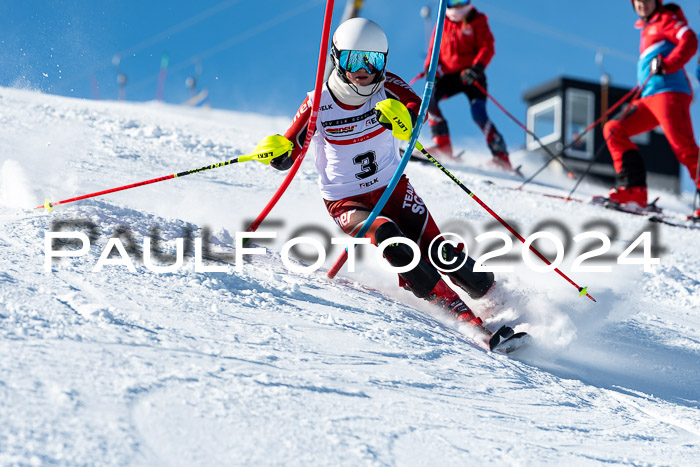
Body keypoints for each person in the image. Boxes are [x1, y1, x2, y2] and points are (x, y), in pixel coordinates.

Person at [252, 18, 501, 342]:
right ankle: (463, 316)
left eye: (374, 60)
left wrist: (405, 119)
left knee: (440, 251)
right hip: (347, 200)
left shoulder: (388, 86)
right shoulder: (318, 102)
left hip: (392, 187)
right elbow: (289, 150)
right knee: (391, 238)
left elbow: (418, 109)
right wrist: (277, 151)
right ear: (337, 59)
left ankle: (498, 297)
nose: (364, 69)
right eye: (354, 59)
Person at [601, 0, 699, 217]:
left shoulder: (667, 20)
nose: (642, 5)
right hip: (648, 98)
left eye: (646, 0)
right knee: (614, 128)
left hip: (669, 93)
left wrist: (668, 64)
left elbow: (690, 40)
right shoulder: (646, 27)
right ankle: (634, 191)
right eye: (637, 2)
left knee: (684, 148)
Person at [422, 0, 512, 170]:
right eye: (453, 1)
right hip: (449, 76)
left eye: (462, 0)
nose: (458, 6)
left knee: (478, 113)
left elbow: (487, 46)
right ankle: (443, 145)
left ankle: (501, 156)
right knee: (428, 101)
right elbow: (434, 49)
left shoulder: (476, 20)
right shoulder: (442, 23)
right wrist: (429, 68)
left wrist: (477, 68)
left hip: (471, 75)